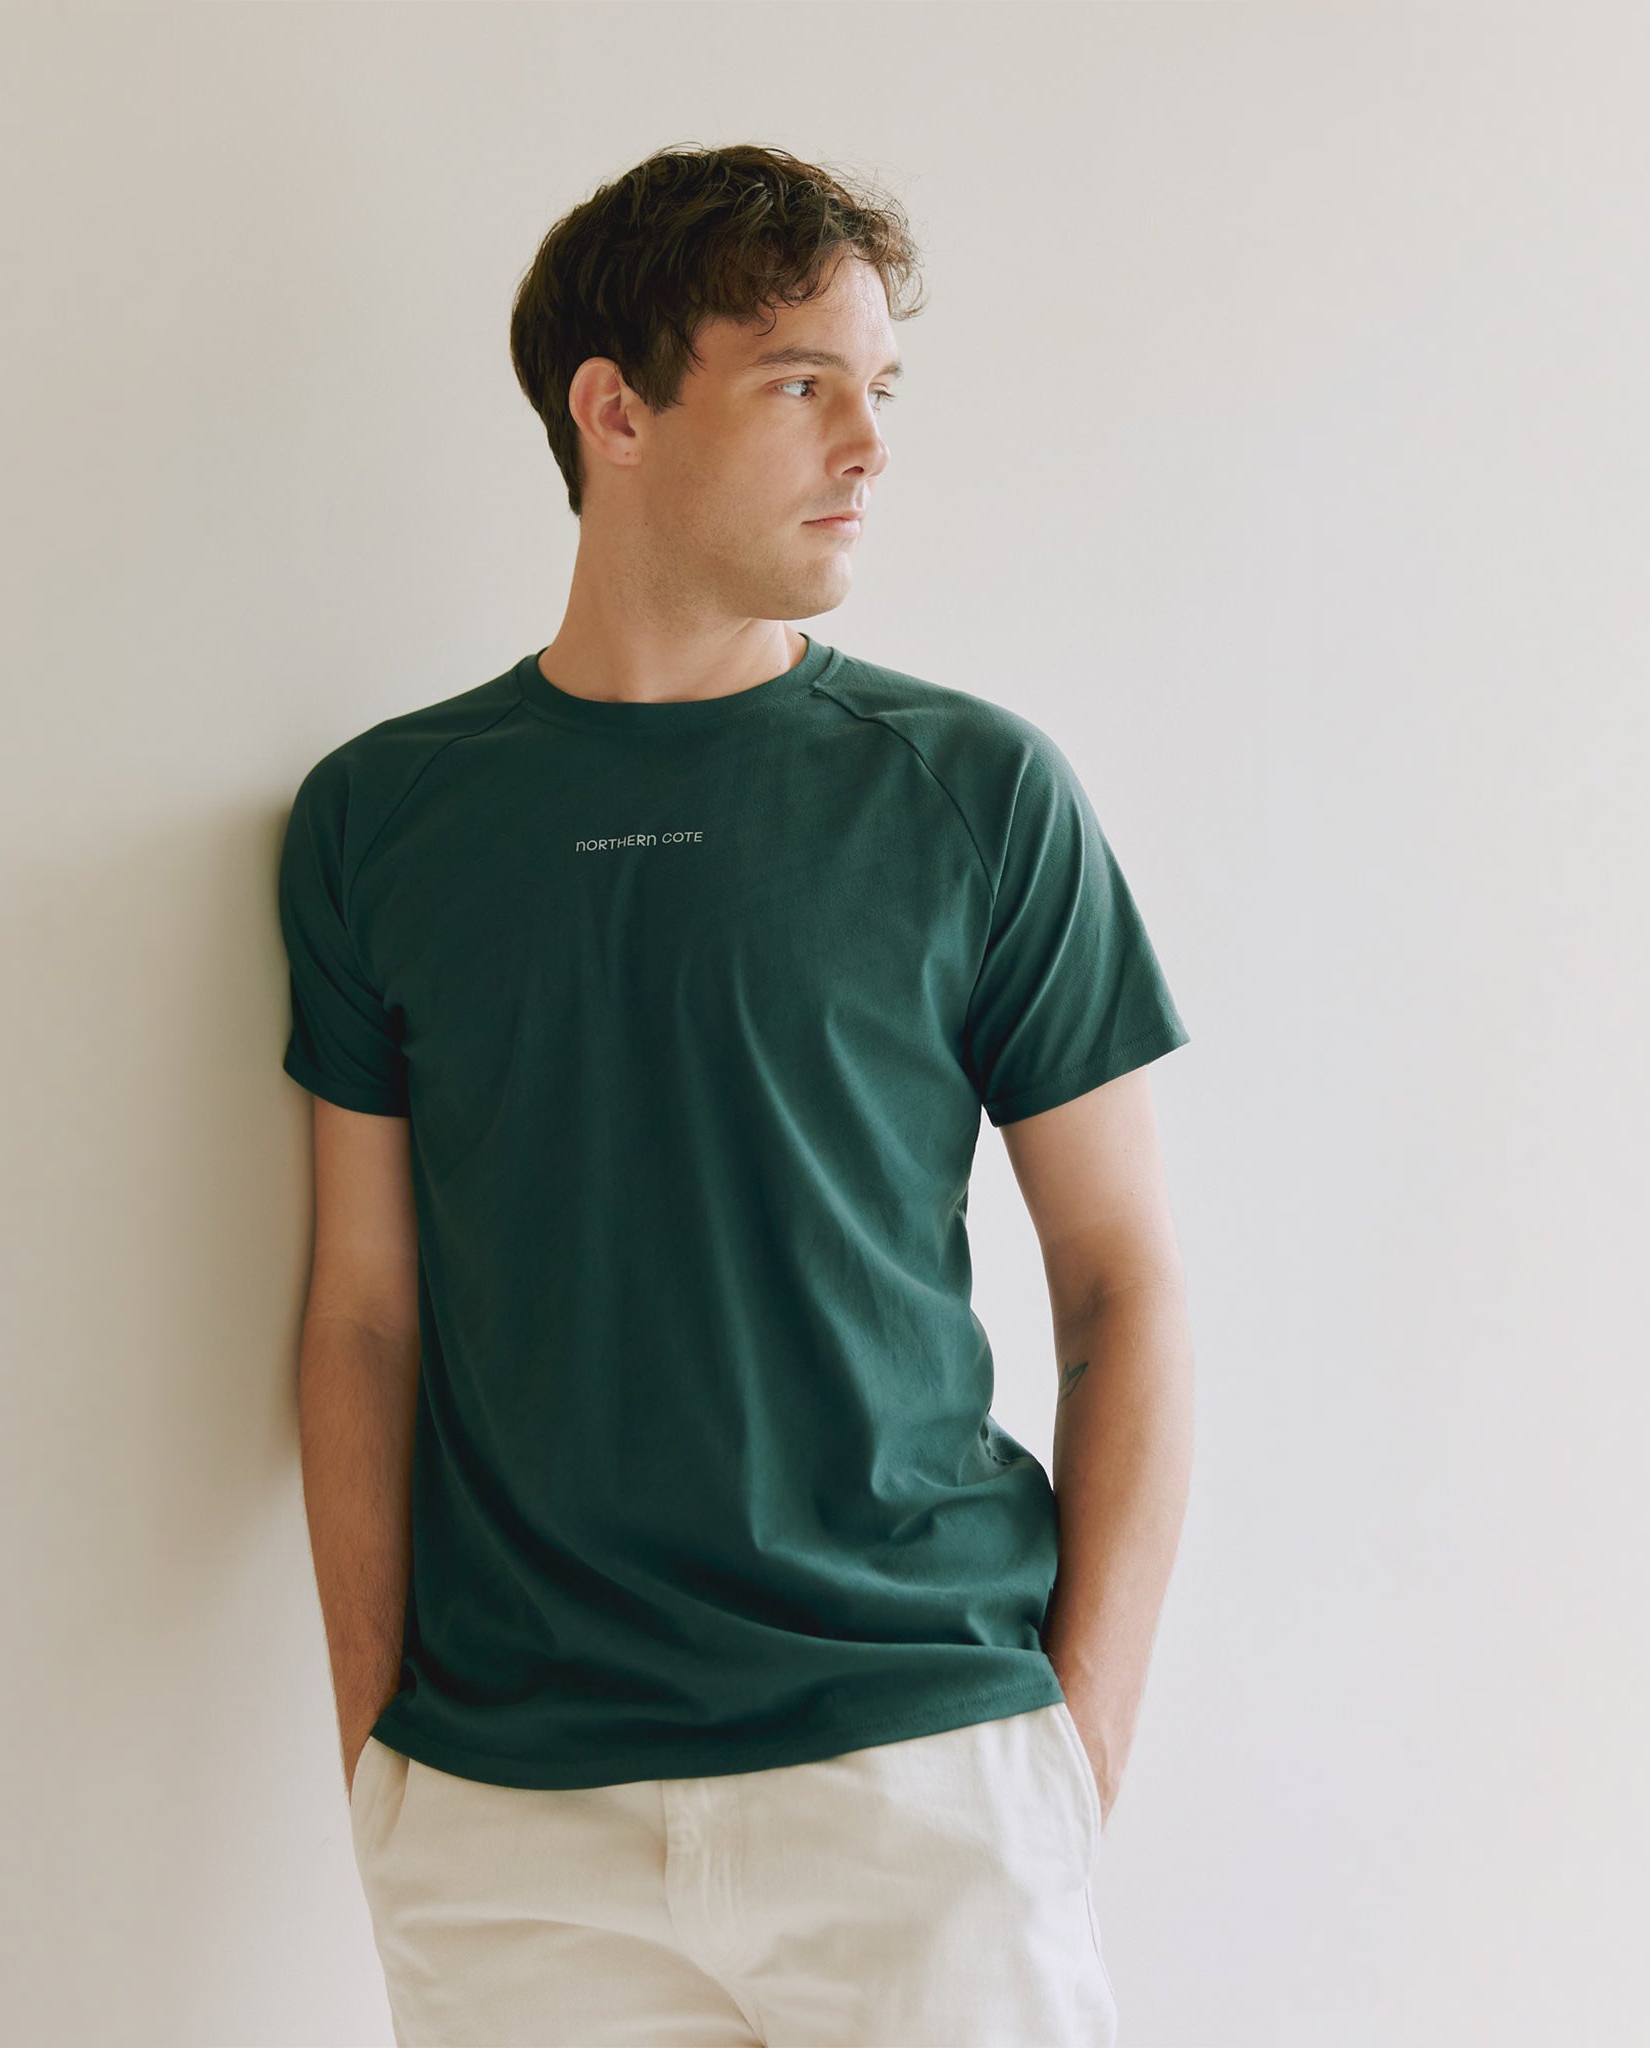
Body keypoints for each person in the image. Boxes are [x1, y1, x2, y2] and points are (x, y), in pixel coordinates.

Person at [276, 141, 1195, 2048]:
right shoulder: (383, 820)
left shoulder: (973, 794)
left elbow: (1124, 1285)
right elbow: (362, 1313)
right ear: (615, 409)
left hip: (920, 1775)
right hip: (510, 1822)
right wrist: (379, 1749)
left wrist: (1064, 1753)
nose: (868, 445)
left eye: (882, 390)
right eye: (800, 385)